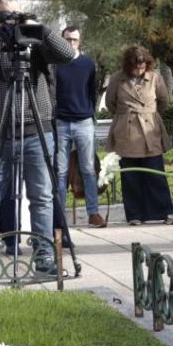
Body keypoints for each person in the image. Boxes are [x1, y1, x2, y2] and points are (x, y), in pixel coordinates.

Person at [0, 0, 77, 274]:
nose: (13, 20)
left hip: (35, 128)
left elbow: (67, 55)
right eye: (6, 15)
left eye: (17, 13)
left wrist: (38, 28)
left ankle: (44, 257)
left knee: (41, 196)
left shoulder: (35, 42)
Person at [104, 45, 173, 226]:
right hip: (126, 131)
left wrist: (149, 115)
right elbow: (110, 103)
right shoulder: (116, 79)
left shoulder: (155, 78)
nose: (139, 70)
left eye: (142, 67)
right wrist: (126, 116)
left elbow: (164, 101)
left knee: (156, 174)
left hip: (150, 129)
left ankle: (166, 212)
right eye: (136, 67)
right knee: (130, 176)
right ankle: (134, 215)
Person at [53, 26, 104, 228]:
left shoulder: (87, 63)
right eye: (67, 39)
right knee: (61, 171)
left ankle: (93, 212)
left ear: (79, 41)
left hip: (83, 121)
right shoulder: (55, 64)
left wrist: (89, 111)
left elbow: (92, 90)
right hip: (61, 121)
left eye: (74, 39)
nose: (71, 43)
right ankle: (59, 216)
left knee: (89, 168)